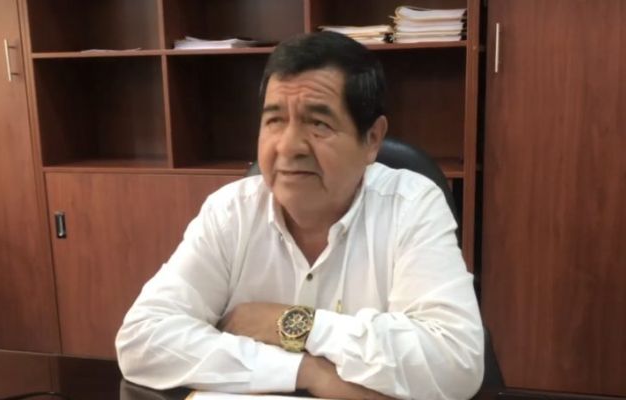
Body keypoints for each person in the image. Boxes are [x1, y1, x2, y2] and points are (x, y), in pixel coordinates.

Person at [116, 31, 484, 400]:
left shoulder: (412, 206)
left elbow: (456, 363)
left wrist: (291, 323)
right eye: (274, 121)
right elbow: (142, 340)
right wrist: (306, 372)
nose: (289, 146)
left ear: (372, 139)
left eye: (319, 124)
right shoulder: (230, 212)